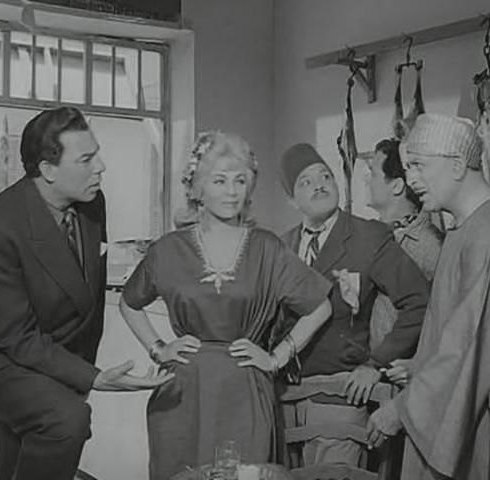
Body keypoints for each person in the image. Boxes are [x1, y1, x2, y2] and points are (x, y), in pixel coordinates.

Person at [0, 107, 174, 480]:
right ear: (48, 169)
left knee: (27, 441)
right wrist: (93, 377)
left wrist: (79, 371)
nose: (101, 167)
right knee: (65, 419)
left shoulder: (93, 203)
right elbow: (16, 337)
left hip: (46, 347)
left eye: (97, 154)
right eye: (86, 159)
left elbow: (87, 298)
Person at [119, 131, 332, 480]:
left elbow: (320, 307)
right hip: (181, 396)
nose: (232, 191)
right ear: (196, 188)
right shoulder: (167, 249)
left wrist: (276, 357)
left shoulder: (267, 248)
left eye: (240, 180)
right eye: (219, 180)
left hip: (245, 393)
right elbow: (129, 304)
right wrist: (158, 349)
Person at [366, 113, 490, 480]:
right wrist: (421, 364)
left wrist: (402, 409)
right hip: (468, 400)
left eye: (419, 165)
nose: (411, 179)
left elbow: (470, 345)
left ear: (457, 165)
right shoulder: (471, 226)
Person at [276, 143, 430, 467]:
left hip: (339, 395)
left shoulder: (368, 237)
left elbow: (418, 301)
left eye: (325, 176)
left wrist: (375, 364)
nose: (320, 185)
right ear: (291, 200)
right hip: (282, 398)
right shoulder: (280, 247)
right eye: (306, 181)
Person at [364, 138, 444, 384]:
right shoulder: (370, 235)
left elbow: (446, 323)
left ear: (397, 186)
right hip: (368, 376)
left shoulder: (430, 248)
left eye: (373, 174)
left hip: (403, 382)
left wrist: (419, 365)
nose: (367, 181)